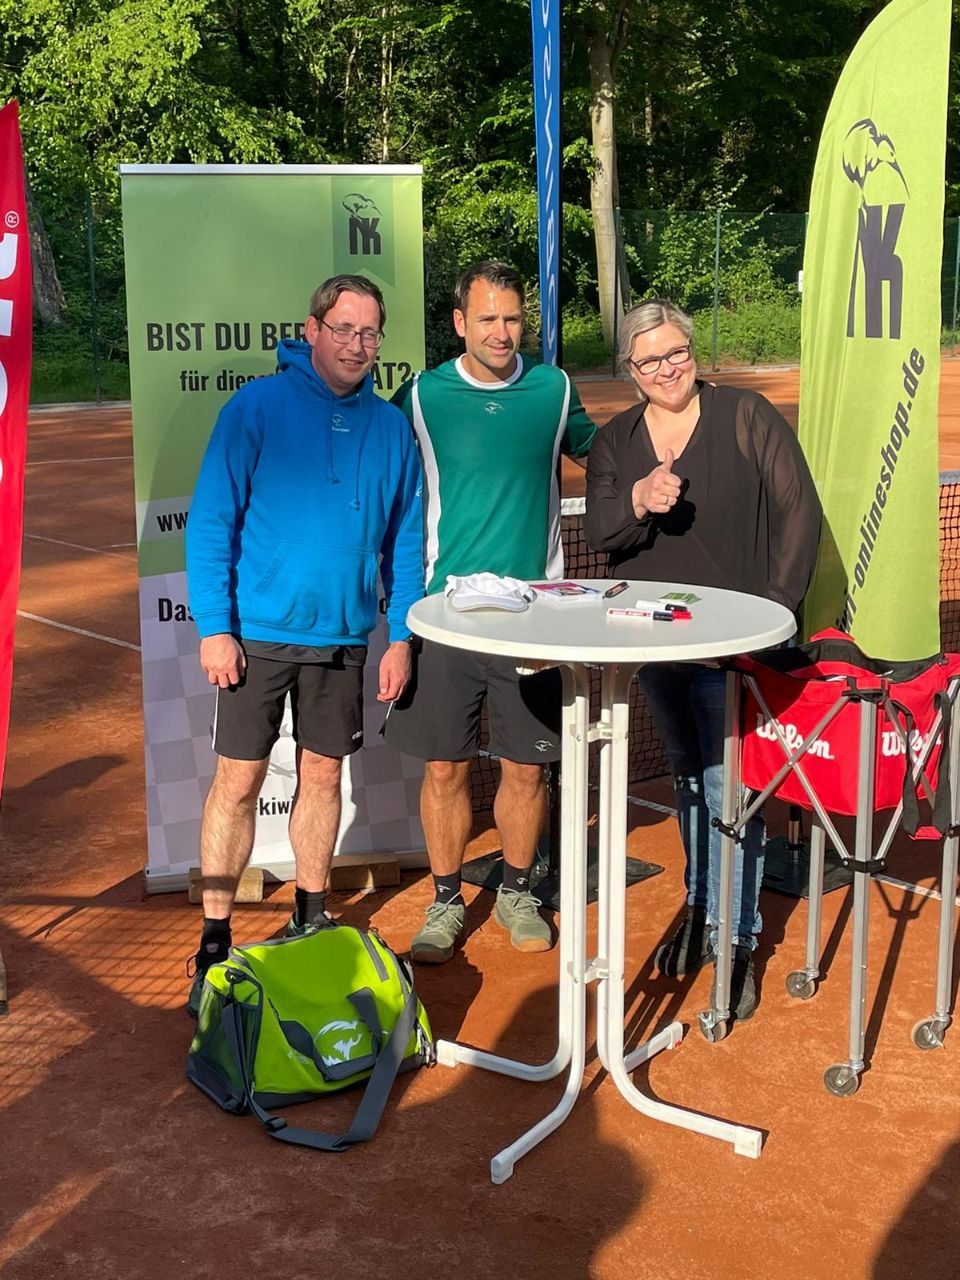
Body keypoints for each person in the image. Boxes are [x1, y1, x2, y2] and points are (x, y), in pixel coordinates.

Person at [183, 274, 424, 1016]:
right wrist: (215, 627)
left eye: (370, 332)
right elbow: (212, 521)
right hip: (256, 637)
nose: (357, 345)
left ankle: (310, 916)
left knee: (323, 778)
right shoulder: (254, 408)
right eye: (343, 329)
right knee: (238, 783)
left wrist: (401, 635)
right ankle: (215, 940)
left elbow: (406, 542)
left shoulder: (391, 429)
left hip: (344, 641)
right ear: (312, 330)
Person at [584, 298, 821, 1020]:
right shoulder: (616, 441)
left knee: (731, 792)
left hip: (736, 653)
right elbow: (602, 534)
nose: (667, 369)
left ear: (692, 351)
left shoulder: (747, 416)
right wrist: (639, 497)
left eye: (676, 352)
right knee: (688, 780)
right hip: (654, 647)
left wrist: (773, 616)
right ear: (631, 370)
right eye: (650, 360)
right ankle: (699, 905)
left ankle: (737, 936)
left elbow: (799, 513)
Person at [384, 260, 597, 963]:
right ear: (459, 323)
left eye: (512, 318)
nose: (502, 332)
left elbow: (608, 454)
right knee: (444, 770)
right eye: (487, 318)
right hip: (442, 618)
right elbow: (373, 460)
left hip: (535, 620)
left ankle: (517, 892)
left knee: (526, 770)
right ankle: (446, 900)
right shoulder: (422, 396)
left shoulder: (554, 389)